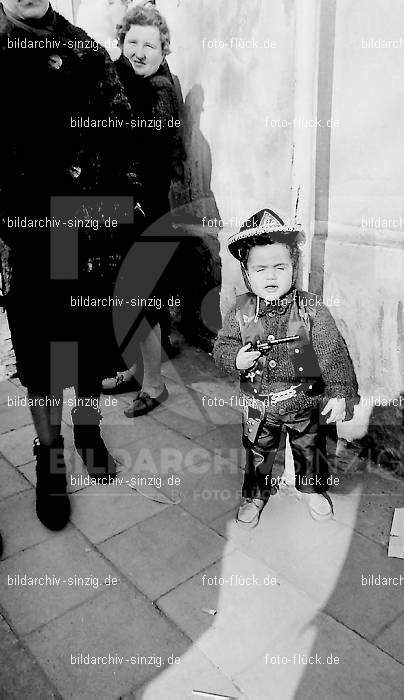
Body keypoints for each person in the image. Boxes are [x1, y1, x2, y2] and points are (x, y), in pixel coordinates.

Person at [0, 0, 142, 532]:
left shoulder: (85, 50)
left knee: (82, 338)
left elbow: (123, 133)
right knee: (39, 348)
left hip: (83, 223)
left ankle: (88, 430)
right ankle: (50, 453)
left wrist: (124, 210)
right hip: (25, 230)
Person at [213, 209, 359, 528]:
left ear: (294, 266)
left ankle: (311, 490)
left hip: (304, 404)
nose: (271, 276)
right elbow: (222, 347)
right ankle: (255, 494)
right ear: (247, 273)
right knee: (258, 452)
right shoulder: (240, 312)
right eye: (260, 268)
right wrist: (235, 357)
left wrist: (339, 392)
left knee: (310, 449)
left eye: (280, 267)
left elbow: (332, 351)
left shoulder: (311, 309)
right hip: (259, 407)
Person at [102, 2, 184, 417]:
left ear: (163, 50)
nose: (138, 51)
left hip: (147, 212)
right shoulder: (124, 81)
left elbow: (150, 159)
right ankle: (136, 370)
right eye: (131, 41)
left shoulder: (160, 93)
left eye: (149, 45)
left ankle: (154, 383)